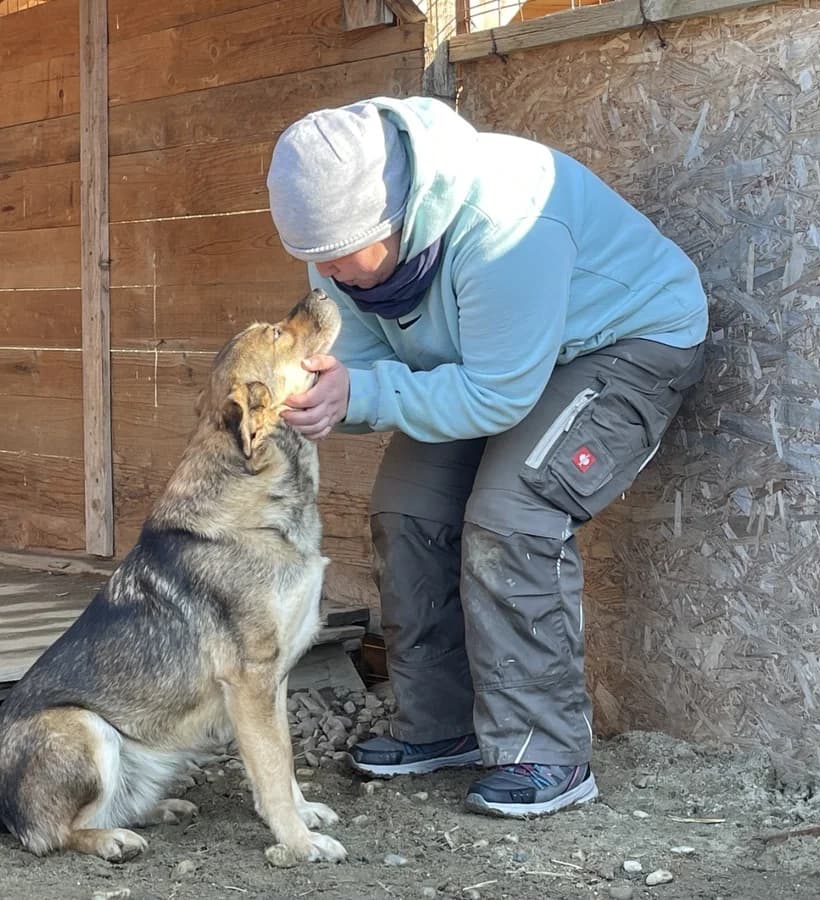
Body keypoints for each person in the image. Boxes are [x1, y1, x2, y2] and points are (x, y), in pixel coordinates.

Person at [265, 96, 707, 819]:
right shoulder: (336, 247)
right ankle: (441, 729)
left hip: (622, 344)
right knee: (405, 511)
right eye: (317, 259)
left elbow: (498, 396)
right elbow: (366, 363)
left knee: (513, 515)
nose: (333, 271)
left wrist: (363, 394)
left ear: (396, 213)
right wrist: (324, 395)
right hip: (491, 360)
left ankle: (546, 755)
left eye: (346, 252)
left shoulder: (506, 221)